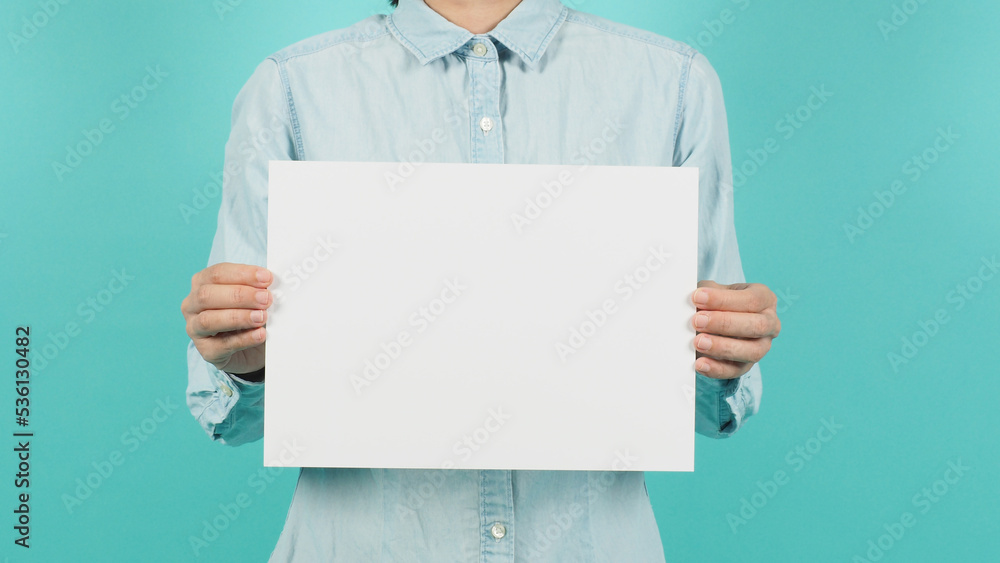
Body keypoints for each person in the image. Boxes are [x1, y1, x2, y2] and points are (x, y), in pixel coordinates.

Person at [181, 0, 781, 560]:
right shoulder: (290, 88)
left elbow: (711, 412)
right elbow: (230, 418)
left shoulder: (673, 84)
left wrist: (726, 351)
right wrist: (245, 362)